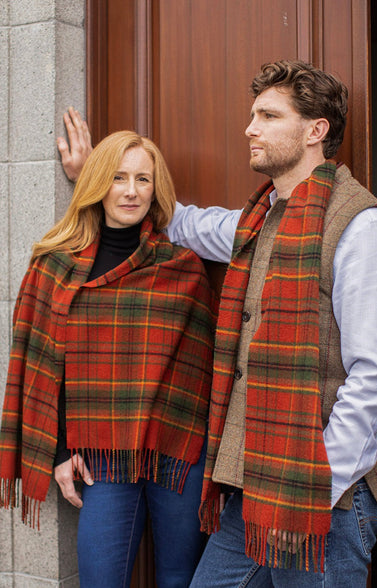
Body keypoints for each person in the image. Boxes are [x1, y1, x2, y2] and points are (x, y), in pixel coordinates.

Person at [55, 60, 377, 587]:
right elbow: (187, 221)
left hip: (325, 498)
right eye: (252, 115)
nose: (250, 128)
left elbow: (376, 382)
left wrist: (313, 485)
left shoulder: (364, 228)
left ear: (315, 131)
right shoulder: (260, 221)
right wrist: (96, 175)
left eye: (268, 115)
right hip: (254, 488)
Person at [0, 130, 216, 588]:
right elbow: (45, 370)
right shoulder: (55, 264)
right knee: (100, 577)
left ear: (156, 189)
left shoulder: (182, 267)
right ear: (98, 183)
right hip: (100, 454)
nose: (132, 190)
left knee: (181, 579)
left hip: (176, 449)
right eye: (118, 177)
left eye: (143, 178)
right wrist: (59, 449)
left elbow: (202, 372)